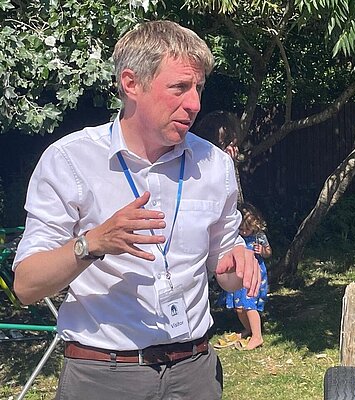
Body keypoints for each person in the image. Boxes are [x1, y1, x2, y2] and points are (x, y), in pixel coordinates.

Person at [12, 20, 260, 400]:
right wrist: (93, 243)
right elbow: (27, 285)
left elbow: (223, 268)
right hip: (103, 375)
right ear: (131, 84)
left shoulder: (214, 164)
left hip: (195, 372)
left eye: (198, 89)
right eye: (179, 87)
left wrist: (236, 263)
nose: (194, 104)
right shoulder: (70, 161)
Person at [218, 202, 270, 350]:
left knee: (249, 305)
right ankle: (248, 329)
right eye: (241, 229)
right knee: (239, 307)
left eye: (247, 229)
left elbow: (268, 252)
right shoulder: (234, 238)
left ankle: (257, 336)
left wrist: (262, 251)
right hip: (238, 276)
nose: (244, 232)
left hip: (253, 274)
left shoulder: (259, 237)